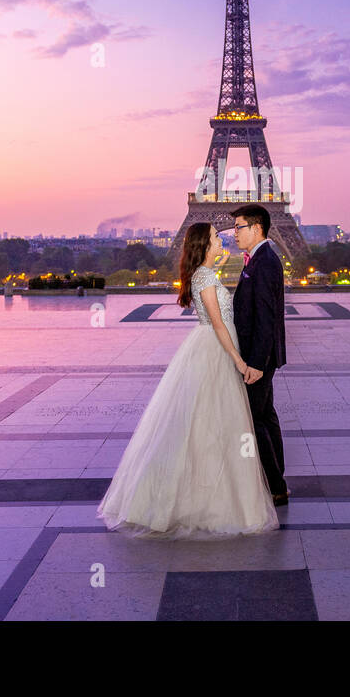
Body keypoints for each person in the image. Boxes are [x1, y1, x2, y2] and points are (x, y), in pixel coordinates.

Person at [96, 222, 279, 539]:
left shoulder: (207, 273)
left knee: (207, 427)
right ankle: (216, 500)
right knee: (215, 426)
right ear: (204, 245)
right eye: (215, 238)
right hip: (216, 351)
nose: (222, 240)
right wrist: (239, 361)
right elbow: (220, 326)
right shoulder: (205, 277)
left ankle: (201, 496)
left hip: (211, 351)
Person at [229, 204, 289, 506]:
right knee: (266, 416)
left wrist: (256, 364)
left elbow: (266, 318)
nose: (234, 233)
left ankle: (275, 486)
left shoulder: (264, 262)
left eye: (238, 227)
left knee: (255, 419)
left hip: (258, 358)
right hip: (263, 355)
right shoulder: (260, 258)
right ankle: (277, 482)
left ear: (256, 228)